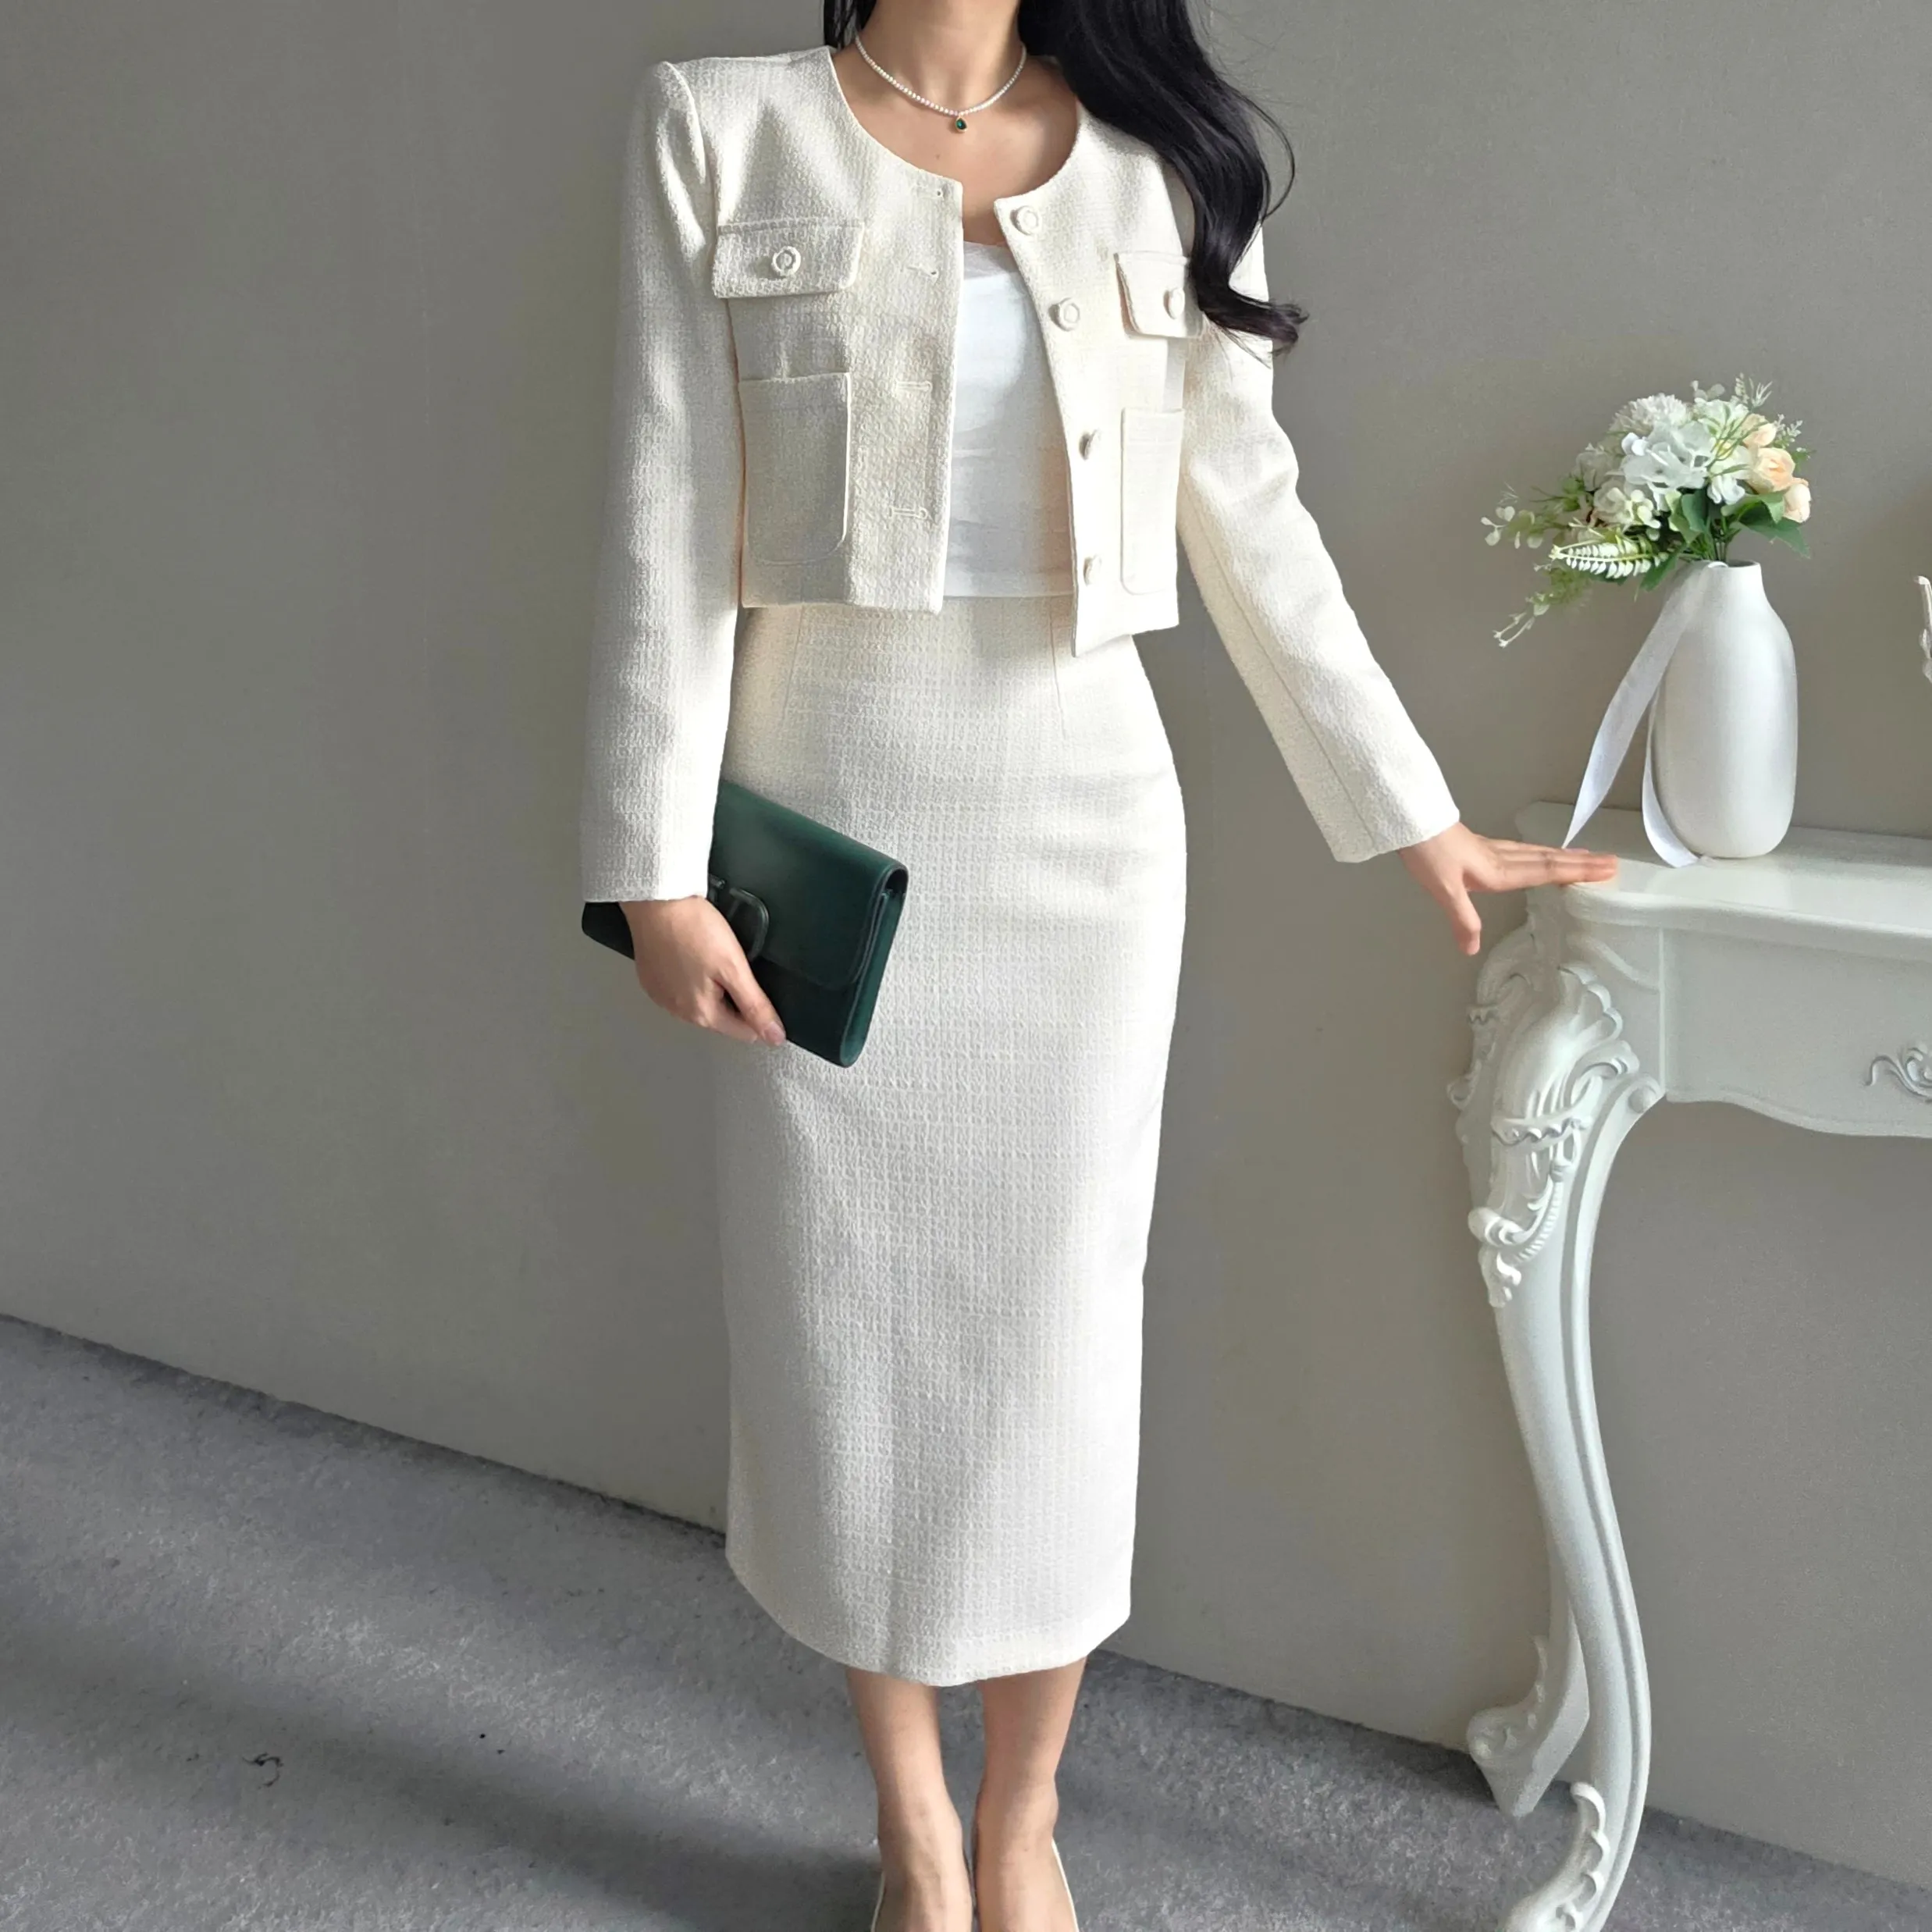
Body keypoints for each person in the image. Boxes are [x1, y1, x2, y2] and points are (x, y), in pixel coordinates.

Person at [577, 7, 1619, 1930]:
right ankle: (911, 1823)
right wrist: (649, 869)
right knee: (839, 1329)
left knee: (1055, 1331)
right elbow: (662, 498)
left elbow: (1252, 517)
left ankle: (1024, 1816)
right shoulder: (719, 130)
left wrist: (1415, 810)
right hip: (826, 817)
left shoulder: (1162, 161)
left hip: (1081, 823)